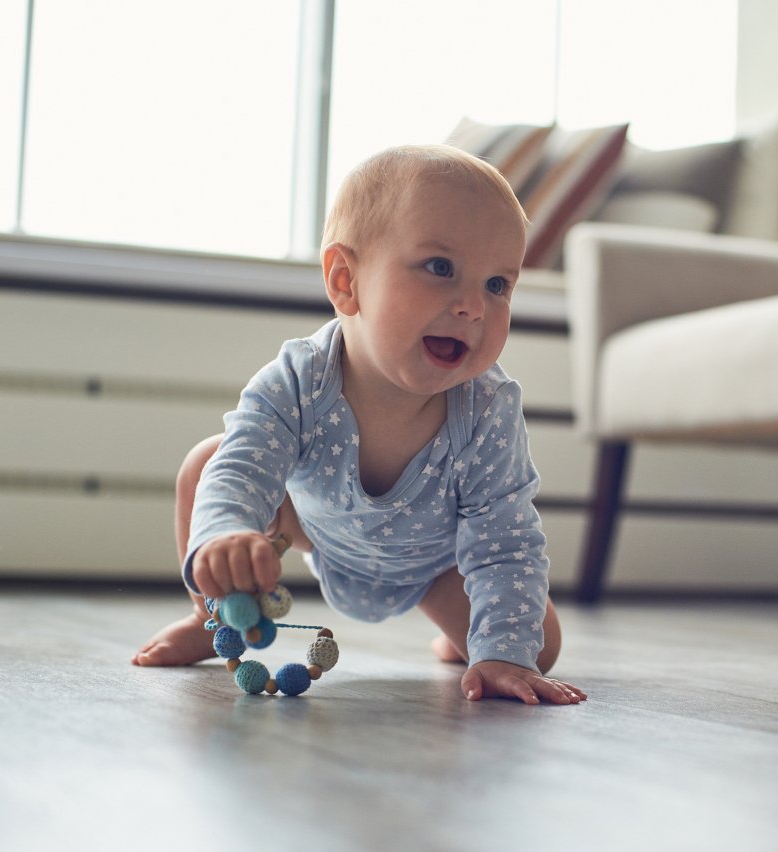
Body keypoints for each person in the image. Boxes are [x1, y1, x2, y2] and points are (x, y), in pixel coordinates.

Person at [132, 144, 586, 706]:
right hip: (311, 525)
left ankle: (463, 638)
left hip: (437, 565)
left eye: (498, 284)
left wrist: (502, 652)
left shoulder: (488, 409)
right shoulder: (299, 382)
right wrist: (227, 533)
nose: (473, 305)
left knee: (535, 647)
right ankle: (210, 619)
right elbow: (244, 465)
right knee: (207, 461)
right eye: (440, 268)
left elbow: (505, 540)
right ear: (345, 280)